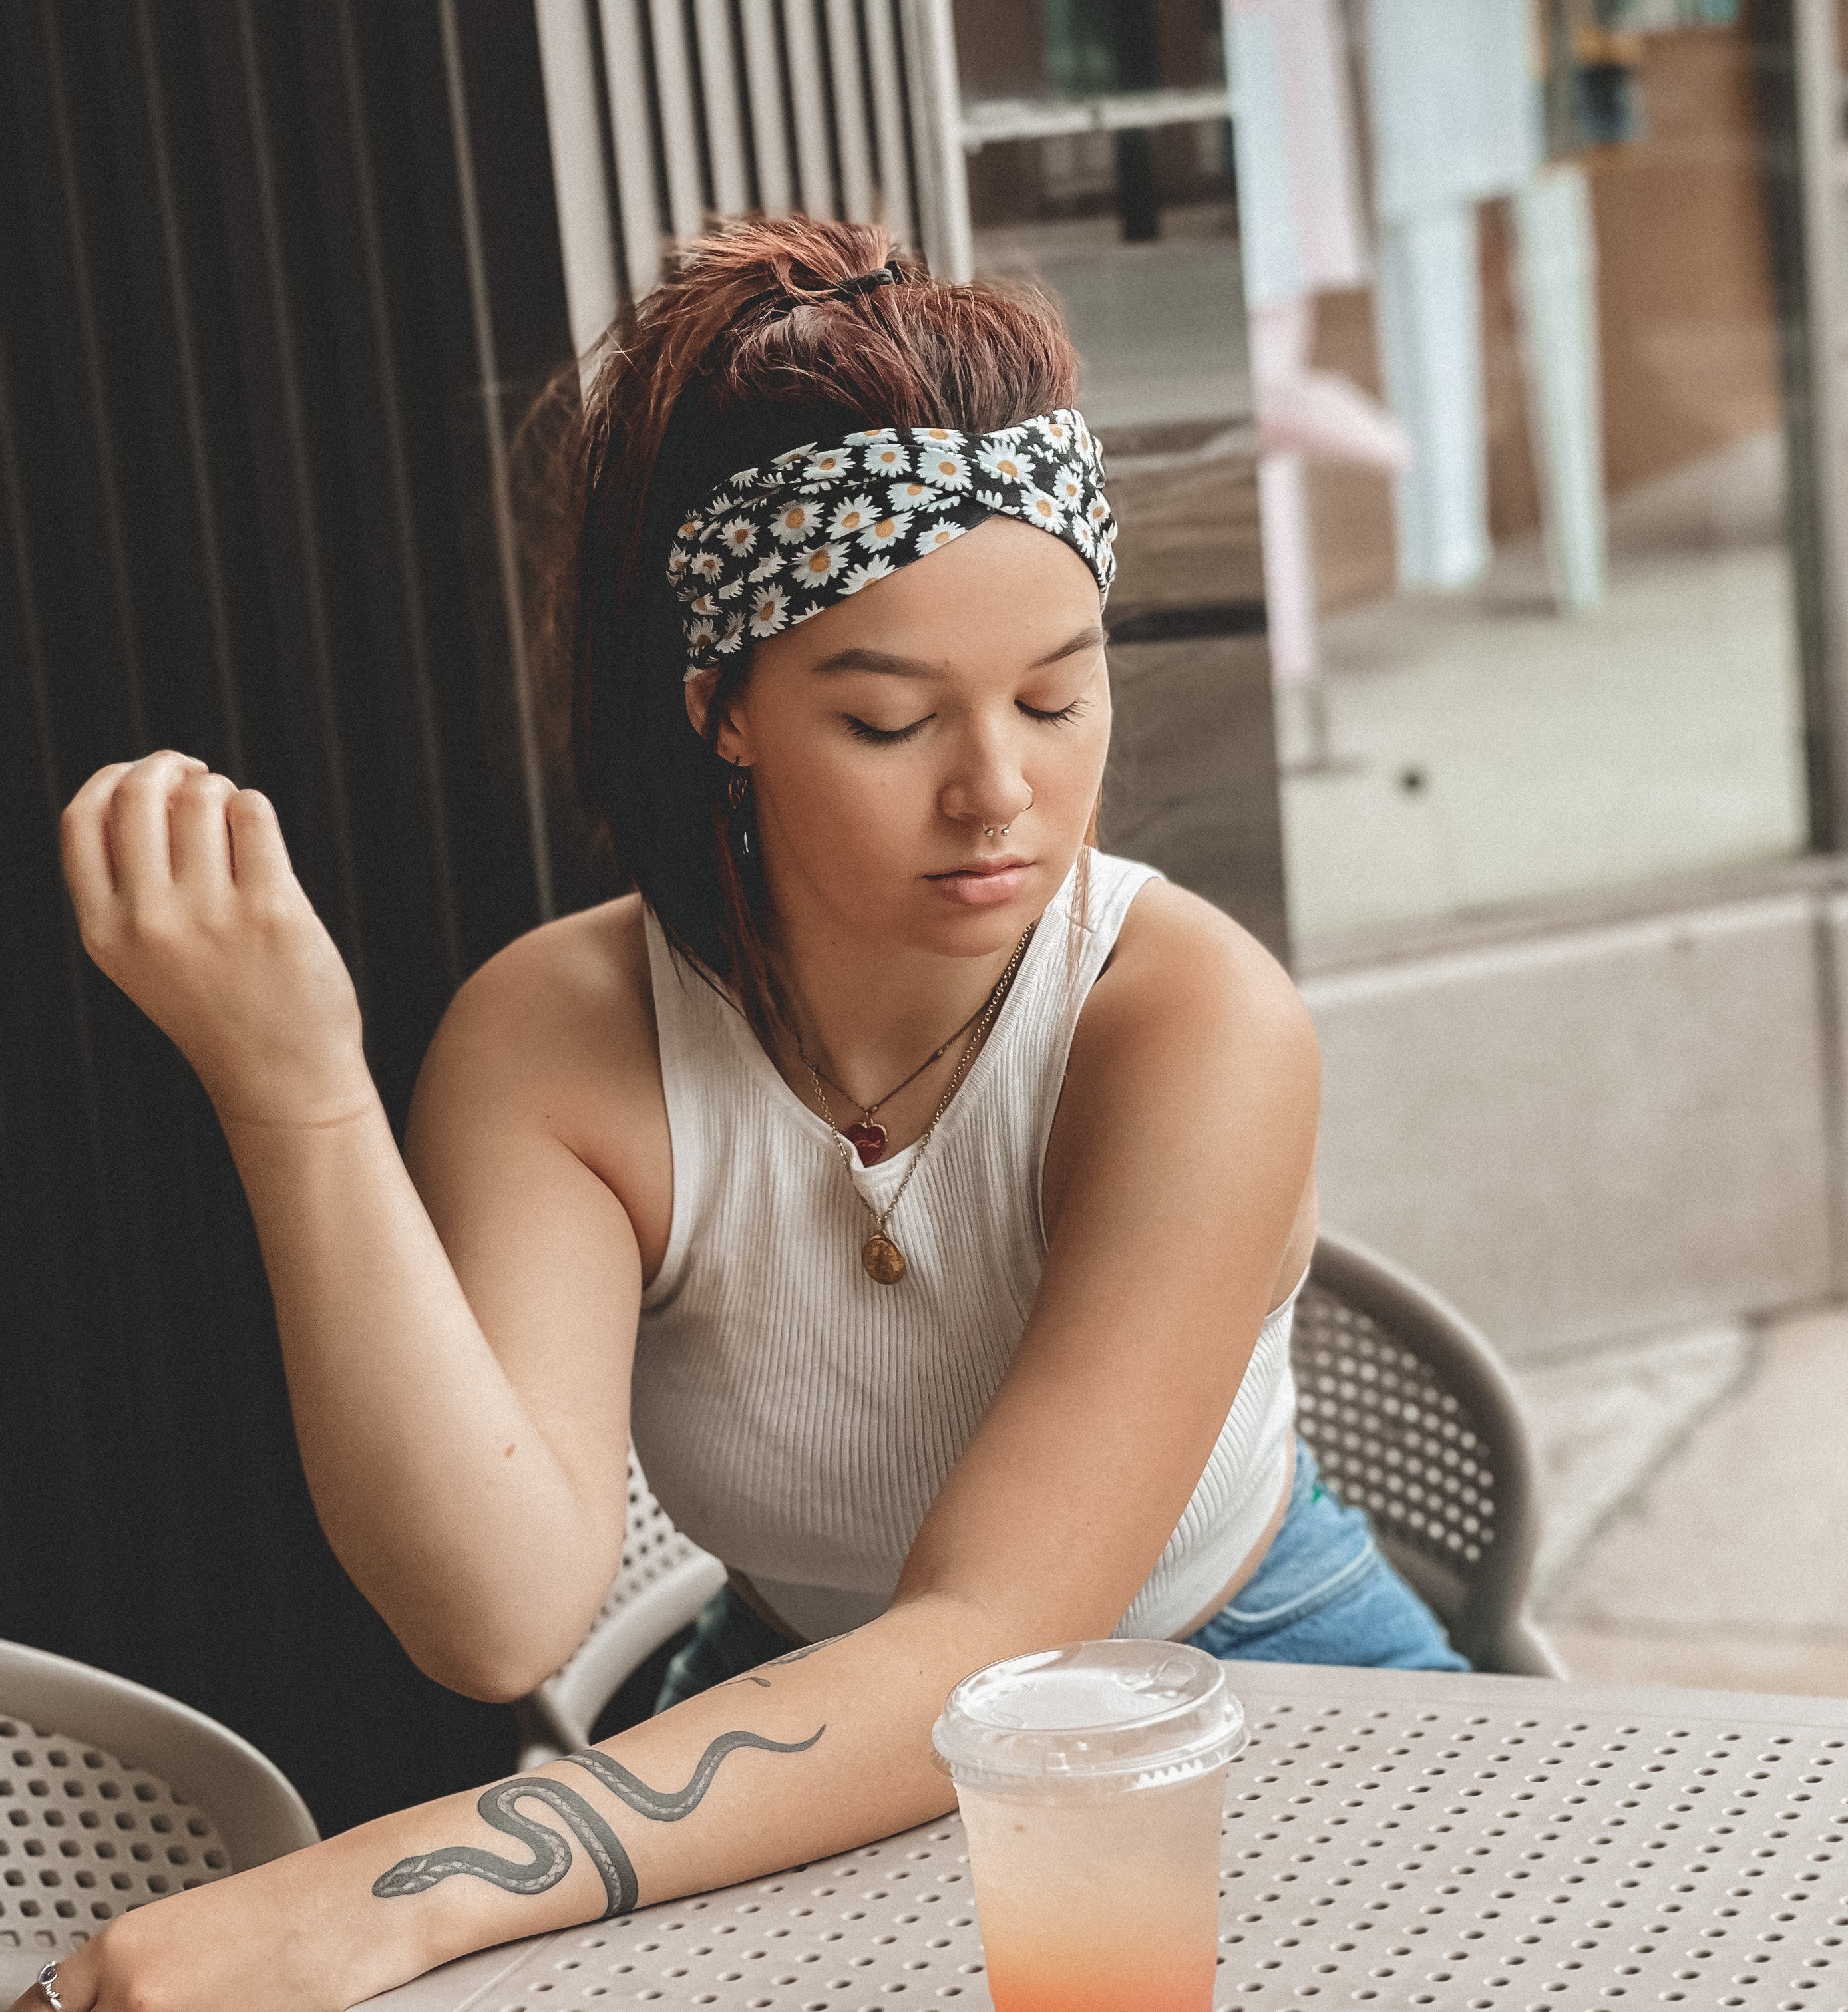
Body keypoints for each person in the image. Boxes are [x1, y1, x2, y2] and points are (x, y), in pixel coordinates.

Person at [34, 215, 1461, 2012]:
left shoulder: (1190, 1023)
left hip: (1249, 1687)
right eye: (887, 720)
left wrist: (382, 1894)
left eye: (1058, 692)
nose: (1000, 792)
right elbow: (494, 1614)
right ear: (723, 706)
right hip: (791, 1724)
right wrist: (294, 1087)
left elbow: (994, 1637)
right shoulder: (565, 1037)